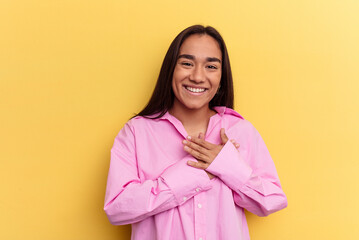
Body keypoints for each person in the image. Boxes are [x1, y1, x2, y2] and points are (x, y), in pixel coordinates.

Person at [104, 25, 288, 240]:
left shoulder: (240, 130)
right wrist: (196, 173)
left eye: (211, 66)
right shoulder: (137, 132)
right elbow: (117, 209)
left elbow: (272, 200)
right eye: (187, 63)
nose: (198, 77)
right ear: (171, 69)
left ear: (221, 77)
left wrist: (227, 165)